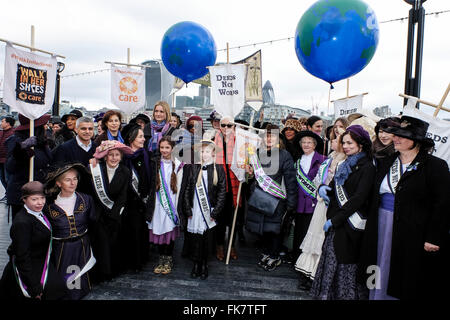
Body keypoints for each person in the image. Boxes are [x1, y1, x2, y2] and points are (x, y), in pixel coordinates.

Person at [359, 116, 450, 300]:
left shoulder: (435, 166)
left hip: (413, 231)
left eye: (402, 136)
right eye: (395, 135)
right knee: (376, 266)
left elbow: (443, 204)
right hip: (380, 226)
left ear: (417, 141)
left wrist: (434, 237)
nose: (396, 139)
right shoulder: (387, 161)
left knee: (404, 274)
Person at [311, 125, 375, 300]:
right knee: (331, 263)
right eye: (343, 143)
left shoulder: (367, 167)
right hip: (337, 222)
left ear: (361, 144)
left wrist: (336, 219)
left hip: (351, 225)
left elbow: (359, 198)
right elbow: (334, 188)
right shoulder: (344, 164)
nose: (345, 146)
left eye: (350, 143)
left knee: (345, 265)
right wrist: (325, 188)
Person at [295, 127, 346, 291]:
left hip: (331, 205)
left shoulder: (345, 160)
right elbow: (318, 180)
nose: (331, 140)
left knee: (322, 240)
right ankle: (308, 272)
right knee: (314, 237)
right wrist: (320, 188)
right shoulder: (330, 158)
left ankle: (316, 275)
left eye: (335, 138)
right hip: (321, 203)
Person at [0, 181, 66, 300]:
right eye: (34, 199)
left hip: (42, 262)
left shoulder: (40, 211)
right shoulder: (22, 223)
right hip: (29, 270)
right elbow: (22, 257)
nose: (40, 202)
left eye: (42, 198)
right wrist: (34, 287)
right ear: (24, 199)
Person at [245, 124, 298, 271]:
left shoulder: (284, 155)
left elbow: (290, 180)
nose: (269, 138)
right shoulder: (256, 153)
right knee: (263, 228)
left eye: (272, 135)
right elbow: (251, 177)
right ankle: (267, 252)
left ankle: (275, 255)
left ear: (277, 138)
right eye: (267, 135)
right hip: (260, 197)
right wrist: (249, 173)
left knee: (274, 229)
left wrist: (292, 202)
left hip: (276, 198)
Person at [44, 163, 96, 300]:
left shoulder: (86, 200)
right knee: (64, 279)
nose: (73, 183)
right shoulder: (49, 206)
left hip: (82, 246)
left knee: (78, 284)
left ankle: (77, 294)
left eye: (75, 179)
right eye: (68, 180)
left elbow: (94, 222)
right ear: (59, 183)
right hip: (61, 249)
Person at [183, 139, 226, 279]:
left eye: (207, 151)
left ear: (213, 153)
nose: (204, 154)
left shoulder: (218, 169)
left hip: (210, 210)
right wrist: (188, 209)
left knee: (207, 238)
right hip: (195, 209)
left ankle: (205, 264)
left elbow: (221, 192)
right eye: (202, 151)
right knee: (196, 239)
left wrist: (216, 211)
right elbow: (187, 189)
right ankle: (196, 263)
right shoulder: (193, 167)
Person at [89, 140, 132, 281]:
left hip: (115, 215)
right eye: (111, 155)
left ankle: (112, 271)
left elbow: (123, 195)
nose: (114, 158)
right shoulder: (96, 169)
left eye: (117, 155)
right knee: (101, 244)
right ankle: (101, 272)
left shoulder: (125, 171)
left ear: (121, 157)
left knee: (113, 243)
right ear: (105, 156)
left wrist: (114, 213)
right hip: (99, 214)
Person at [146, 137, 184, 275]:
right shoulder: (155, 163)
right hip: (157, 202)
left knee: (169, 230)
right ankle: (161, 258)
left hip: (172, 202)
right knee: (159, 229)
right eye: (161, 147)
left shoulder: (179, 165)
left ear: (172, 148)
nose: (164, 150)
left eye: (167, 148)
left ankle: (168, 259)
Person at [121, 123, 155, 272]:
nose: (143, 139)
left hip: (143, 200)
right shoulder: (123, 156)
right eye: (140, 137)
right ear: (131, 138)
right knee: (130, 232)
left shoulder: (147, 154)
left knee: (141, 231)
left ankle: (141, 259)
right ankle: (131, 261)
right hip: (127, 201)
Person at [5, 114, 53, 220]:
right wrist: (22, 148)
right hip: (23, 195)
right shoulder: (15, 140)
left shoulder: (41, 142)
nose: (45, 127)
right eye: (42, 125)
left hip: (40, 193)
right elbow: (10, 167)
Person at [292, 131, 327, 261]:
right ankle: (297, 259)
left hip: (315, 202)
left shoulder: (323, 160)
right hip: (300, 203)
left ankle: (309, 262)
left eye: (309, 142)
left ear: (314, 145)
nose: (306, 145)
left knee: (312, 232)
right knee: (299, 231)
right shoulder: (297, 161)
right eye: (304, 142)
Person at [213, 116, 241, 261]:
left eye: (229, 125)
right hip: (219, 187)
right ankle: (219, 246)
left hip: (235, 185)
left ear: (234, 127)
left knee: (233, 221)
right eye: (223, 125)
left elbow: (245, 160)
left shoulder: (239, 142)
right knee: (220, 220)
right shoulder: (214, 140)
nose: (225, 128)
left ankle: (231, 246)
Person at [0, 115, 15, 202]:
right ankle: (7, 194)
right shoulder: (1, 132)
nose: (1, 123)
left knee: (8, 179)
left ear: (8, 123)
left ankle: (9, 195)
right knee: (2, 178)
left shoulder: (13, 133)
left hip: (7, 160)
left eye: (3, 121)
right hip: (0, 159)